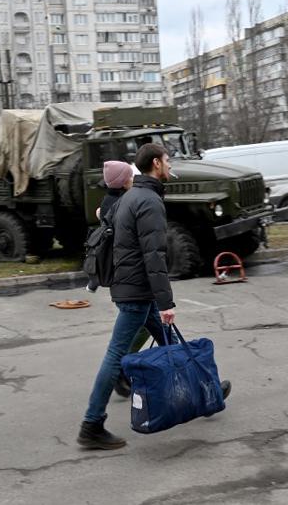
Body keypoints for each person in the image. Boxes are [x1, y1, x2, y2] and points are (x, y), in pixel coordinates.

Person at [76, 143, 230, 450]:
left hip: (132, 287)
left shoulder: (131, 196)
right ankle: (91, 424)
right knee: (115, 355)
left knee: (168, 341)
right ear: (157, 164)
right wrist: (165, 303)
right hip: (137, 291)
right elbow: (154, 256)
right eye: (168, 160)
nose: (170, 165)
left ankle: (205, 391)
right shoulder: (148, 201)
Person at [85, 160, 134, 293]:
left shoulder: (108, 199)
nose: (133, 179)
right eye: (130, 177)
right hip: (121, 261)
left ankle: (94, 280)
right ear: (123, 182)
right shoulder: (122, 201)